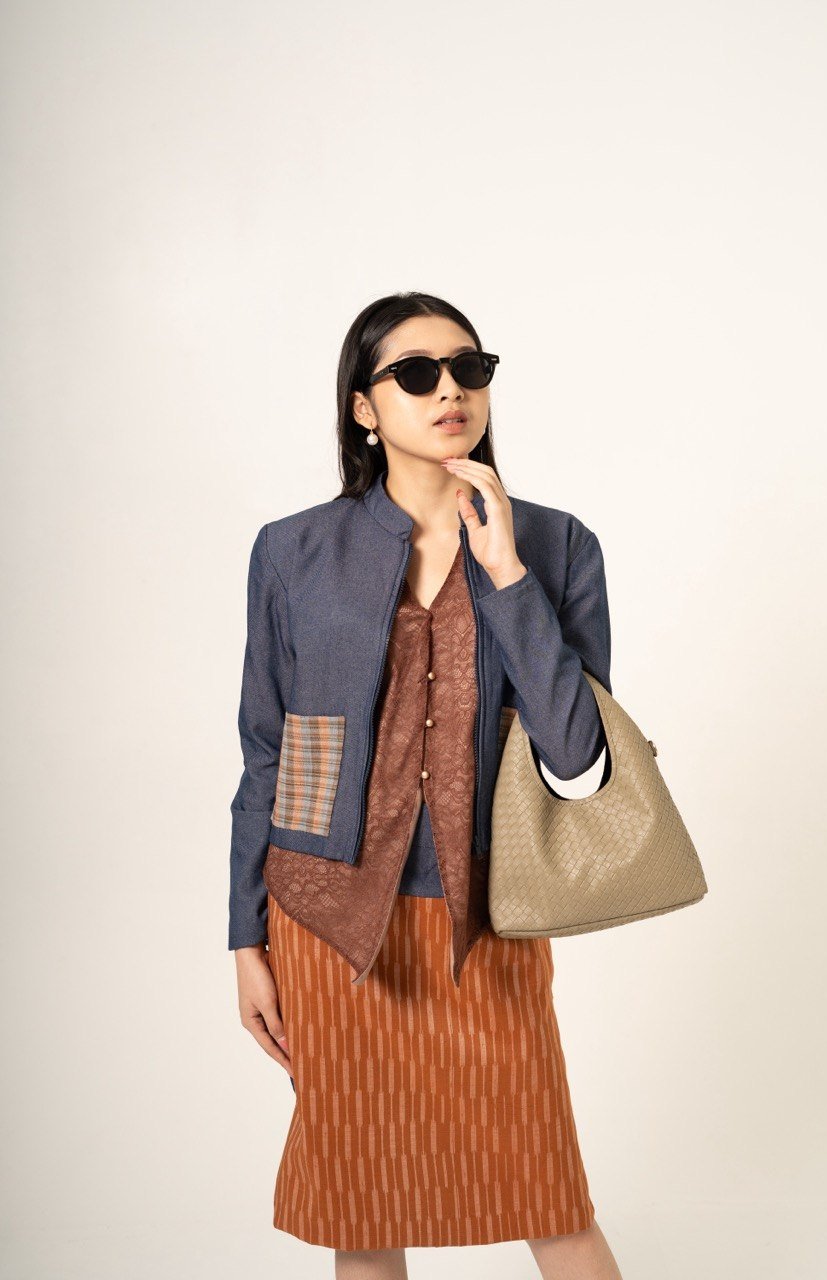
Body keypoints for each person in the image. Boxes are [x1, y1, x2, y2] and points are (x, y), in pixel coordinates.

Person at [229, 291, 624, 1279]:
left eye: (467, 369)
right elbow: (268, 752)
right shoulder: (293, 551)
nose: (449, 389)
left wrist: (505, 573)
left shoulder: (554, 543)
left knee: (549, 1195)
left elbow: (576, 752)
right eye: (415, 373)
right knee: (362, 1209)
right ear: (364, 407)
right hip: (329, 919)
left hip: (484, 919)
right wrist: (245, 938)